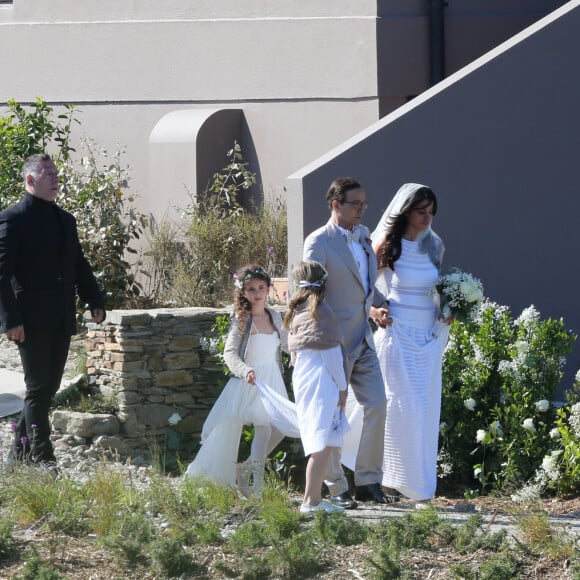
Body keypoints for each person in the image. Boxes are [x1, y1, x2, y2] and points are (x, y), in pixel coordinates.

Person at [0, 153, 106, 468]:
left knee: (48, 388)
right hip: (28, 319)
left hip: (60, 315)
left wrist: (94, 298)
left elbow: (78, 264)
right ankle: (43, 458)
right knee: (36, 387)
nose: (54, 178)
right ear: (30, 180)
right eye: (47, 173)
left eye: (56, 173)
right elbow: (1, 275)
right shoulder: (12, 218)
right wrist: (11, 320)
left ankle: (16, 455)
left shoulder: (65, 220)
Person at [303, 176, 394, 509]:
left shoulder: (365, 238)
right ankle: (336, 485)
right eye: (356, 204)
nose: (362, 210)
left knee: (378, 404)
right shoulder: (317, 242)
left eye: (364, 204)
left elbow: (365, 285)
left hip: (364, 338)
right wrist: (318, 342)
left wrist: (379, 305)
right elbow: (310, 295)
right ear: (335, 205)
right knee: (333, 415)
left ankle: (369, 480)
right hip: (333, 343)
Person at [371, 183, 451, 503]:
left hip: (427, 339)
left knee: (424, 409)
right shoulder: (387, 246)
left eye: (431, 212)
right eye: (422, 211)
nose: (427, 217)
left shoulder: (436, 245)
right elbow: (363, 288)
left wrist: (448, 311)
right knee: (399, 409)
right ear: (406, 211)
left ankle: (418, 486)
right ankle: (388, 483)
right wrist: (374, 311)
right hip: (398, 334)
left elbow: (437, 289)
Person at [185, 265, 289, 497]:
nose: (257, 293)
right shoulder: (243, 319)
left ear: (268, 289)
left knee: (281, 428)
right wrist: (244, 370)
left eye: (261, 287)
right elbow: (229, 353)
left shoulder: (274, 316)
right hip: (251, 381)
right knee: (263, 427)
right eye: (251, 289)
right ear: (243, 292)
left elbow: (285, 345)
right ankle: (257, 489)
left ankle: (243, 471)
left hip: (272, 380)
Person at [284, 260, 350, 514]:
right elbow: (333, 358)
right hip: (323, 383)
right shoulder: (323, 315)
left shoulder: (298, 316)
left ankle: (313, 499)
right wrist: (343, 388)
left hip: (304, 382)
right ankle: (310, 501)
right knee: (320, 445)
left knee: (320, 441)